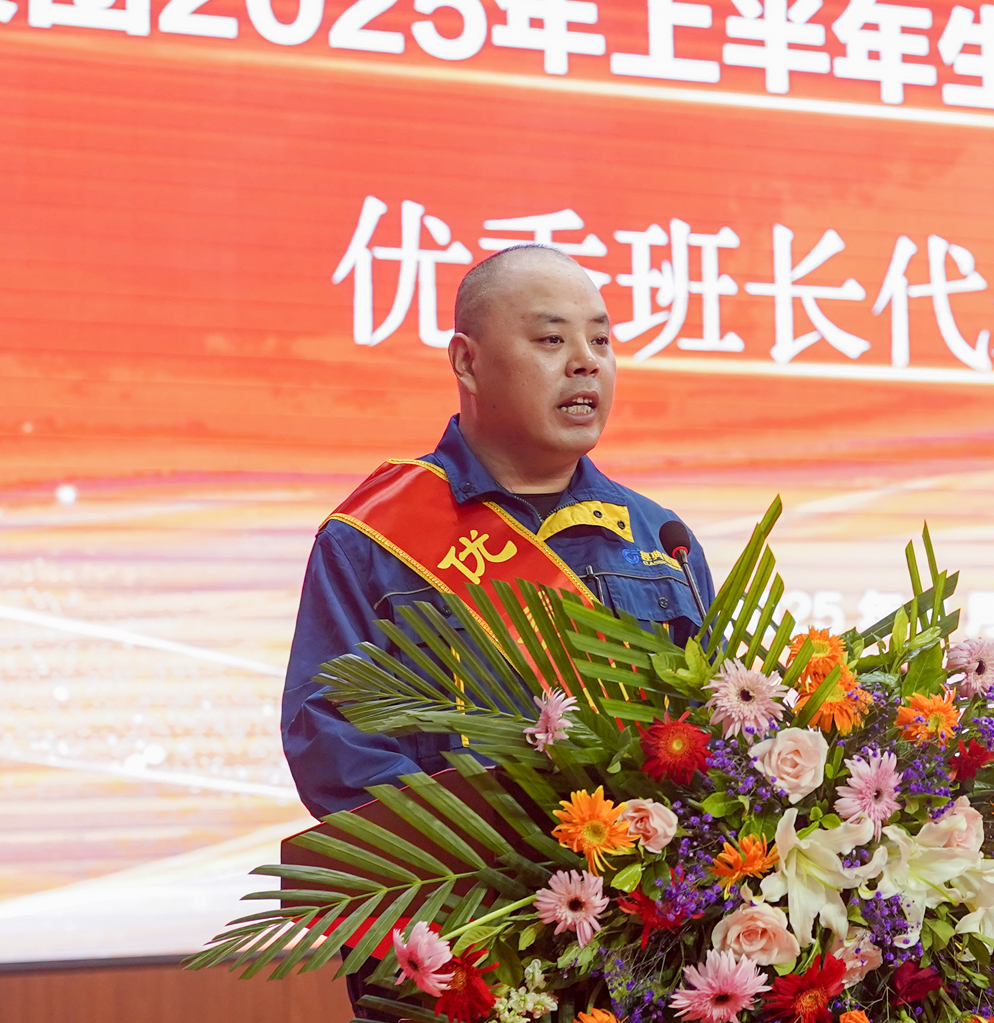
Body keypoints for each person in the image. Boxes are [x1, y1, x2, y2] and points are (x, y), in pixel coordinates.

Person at [280, 243, 716, 819]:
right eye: (552, 339)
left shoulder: (661, 539)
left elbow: (715, 728)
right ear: (466, 362)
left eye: (601, 340)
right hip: (466, 872)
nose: (586, 362)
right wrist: (499, 848)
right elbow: (335, 747)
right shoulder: (370, 540)